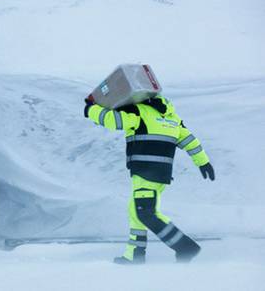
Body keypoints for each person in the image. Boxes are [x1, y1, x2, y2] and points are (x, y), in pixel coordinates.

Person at [84, 95, 215, 264]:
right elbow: (190, 140)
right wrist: (203, 162)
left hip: (145, 171)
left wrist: (91, 109)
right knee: (136, 210)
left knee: (146, 213)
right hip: (159, 173)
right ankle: (135, 255)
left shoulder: (138, 110)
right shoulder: (171, 117)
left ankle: (184, 247)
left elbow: (113, 120)